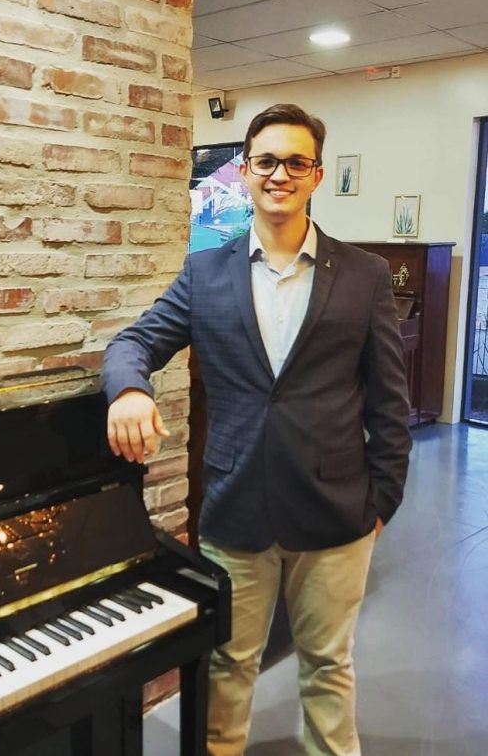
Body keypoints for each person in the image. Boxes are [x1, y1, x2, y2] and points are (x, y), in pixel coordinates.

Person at [101, 103, 411, 756]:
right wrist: (129, 388)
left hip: (337, 514)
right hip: (235, 510)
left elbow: (390, 401)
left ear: (317, 175)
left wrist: (383, 500)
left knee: (329, 668)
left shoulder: (365, 276)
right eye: (266, 161)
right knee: (228, 668)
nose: (280, 175)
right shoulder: (205, 272)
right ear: (244, 171)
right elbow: (134, 342)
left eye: (296, 162)